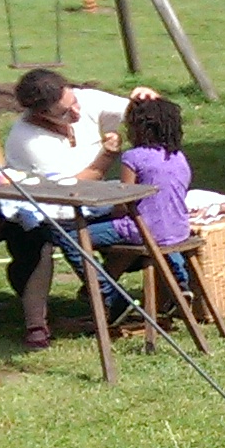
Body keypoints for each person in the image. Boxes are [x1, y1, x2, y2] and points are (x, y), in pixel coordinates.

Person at [0, 68, 161, 349]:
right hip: (45, 206)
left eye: (73, 101)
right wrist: (107, 155)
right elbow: (72, 187)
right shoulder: (28, 140)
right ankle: (40, 322)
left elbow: (143, 115)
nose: (76, 112)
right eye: (64, 112)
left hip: (88, 202)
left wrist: (148, 99)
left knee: (145, 214)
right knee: (49, 238)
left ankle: (111, 291)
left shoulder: (86, 100)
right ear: (40, 114)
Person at [81, 95, 197, 321]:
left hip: (143, 230)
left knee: (75, 237)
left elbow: (125, 201)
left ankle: (104, 290)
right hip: (178, 228)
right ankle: (179, 285)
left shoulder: (133, 157)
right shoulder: (179, 157)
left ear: (139, 129)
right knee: (127, 247)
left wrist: (110, 213)